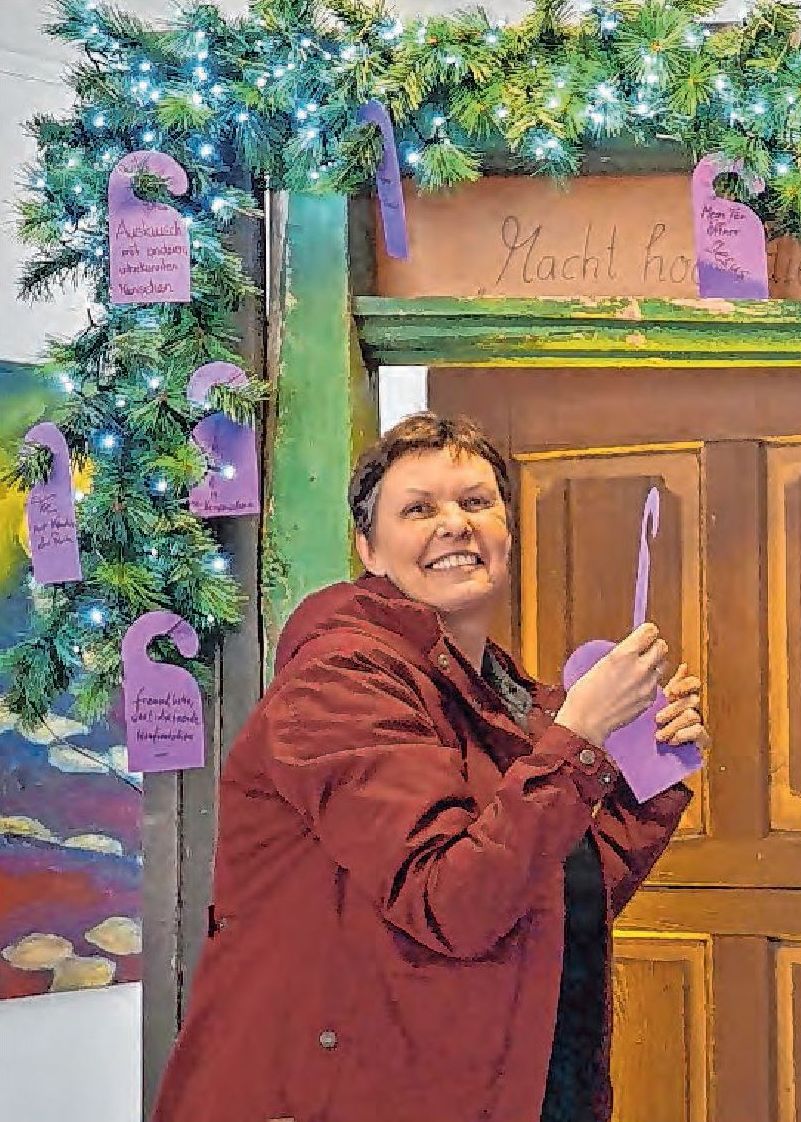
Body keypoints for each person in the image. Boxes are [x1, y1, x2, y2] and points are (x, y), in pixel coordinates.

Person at [150, 413, 706, 1122]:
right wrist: (581, 738)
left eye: (476, 502)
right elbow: (454, 901)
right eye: (419, 508)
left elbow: (540, 905)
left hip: (507, 1082)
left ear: (507, 530)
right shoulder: (340, 680)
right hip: (352, 1092)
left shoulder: (504, 696)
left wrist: (639, 780)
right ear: (368, 549)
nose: (455, 524)